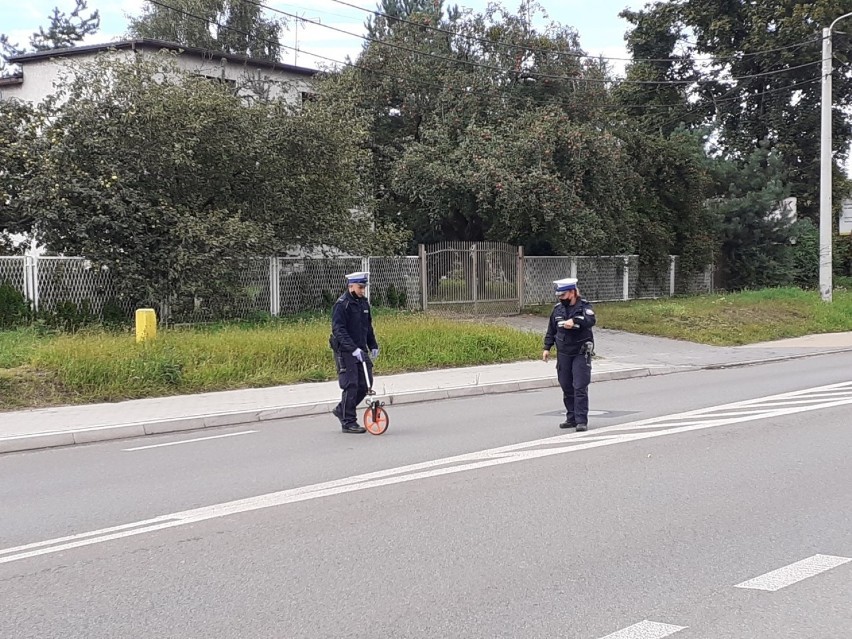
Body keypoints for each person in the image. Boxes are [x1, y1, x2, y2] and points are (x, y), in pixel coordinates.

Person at [542, 277, 596, 431]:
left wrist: (574, 320)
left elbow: (590, 320)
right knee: (566, 385)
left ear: (572, 293)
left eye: (563, 295)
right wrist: (547, 347)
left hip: (580, 352)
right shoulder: (558, 309)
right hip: (564, 352)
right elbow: (551, 329)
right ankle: (571, 417)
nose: (561, 298)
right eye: (559, 296)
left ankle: (581, 420)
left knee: (579, 385)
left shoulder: (584, 307)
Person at [330, 271, 380, 434]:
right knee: (351, 385)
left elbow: (368, 327)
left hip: (361, 350)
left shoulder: (363, 303)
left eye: (364, 287)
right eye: (360, 287)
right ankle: (348, 421)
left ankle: (341, 409)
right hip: (346, 351)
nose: (362, 291)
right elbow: (339, 330)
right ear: (351, 286)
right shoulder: (342, 304)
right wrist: (353, 349)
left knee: (366, 384)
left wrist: (372, 344)